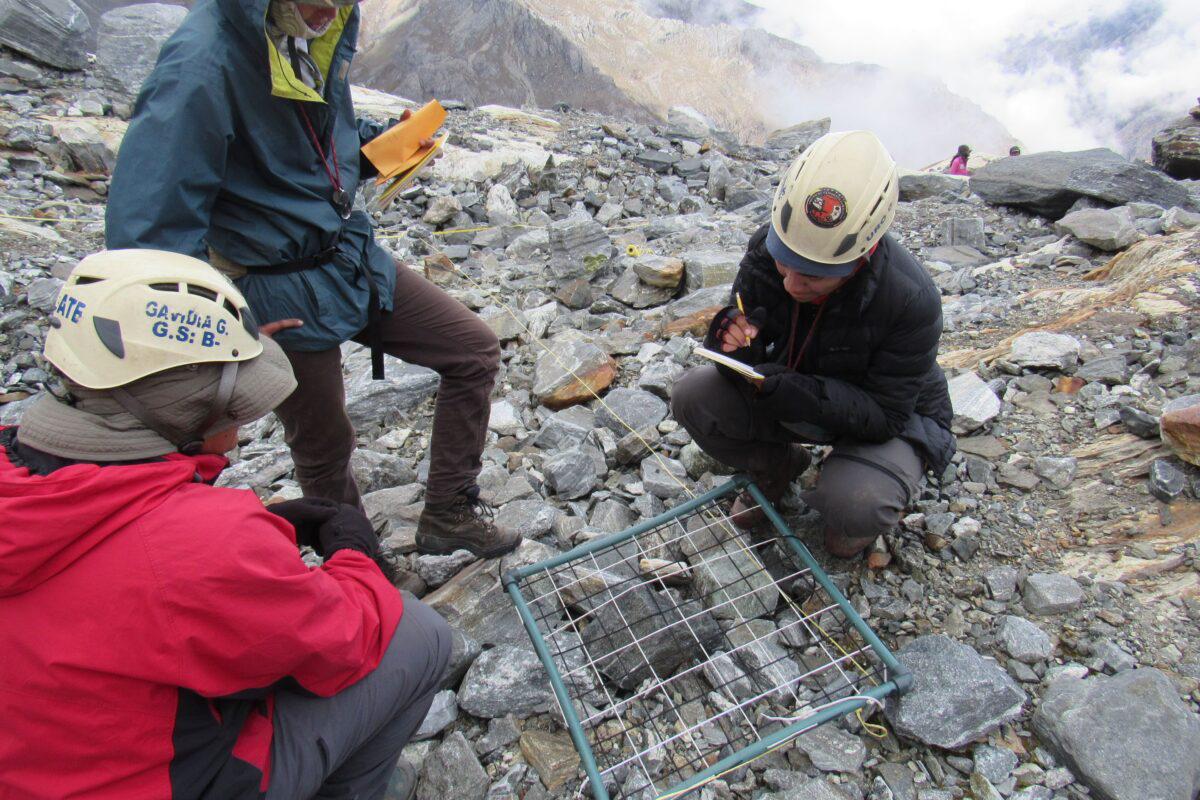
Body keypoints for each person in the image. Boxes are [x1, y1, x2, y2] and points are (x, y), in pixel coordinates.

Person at [0, 250, 450, 800]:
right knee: (420, 634)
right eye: (233, 409)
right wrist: (354, 557)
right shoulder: (197, 544)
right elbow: (338, 646)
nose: (237, 434)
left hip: (40, 762)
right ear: (178, 413)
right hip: (155, 782)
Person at [105, 0, 519, 559]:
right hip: (276, 286)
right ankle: (359, 566)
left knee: (472, 350)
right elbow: (150, 225)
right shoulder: (200, 66)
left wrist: (379, 145)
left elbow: (315, 139)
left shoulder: (309, 29)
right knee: (325, 446)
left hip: (348, 257)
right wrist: (208, 327)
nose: (330, 8)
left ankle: (449, 512)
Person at [671, 131, 955, 559]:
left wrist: (802, 396)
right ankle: (778, 468)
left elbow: (886, 415)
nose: (790, 282)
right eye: (785, 260)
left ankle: (852, 498)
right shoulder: (768, 248)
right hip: (792, 390)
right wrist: (731, 342)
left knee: (855, 509)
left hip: (885, 413)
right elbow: (742, 324)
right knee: (693, 396)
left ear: (863, 256)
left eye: (813, 275)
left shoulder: (911, 300)